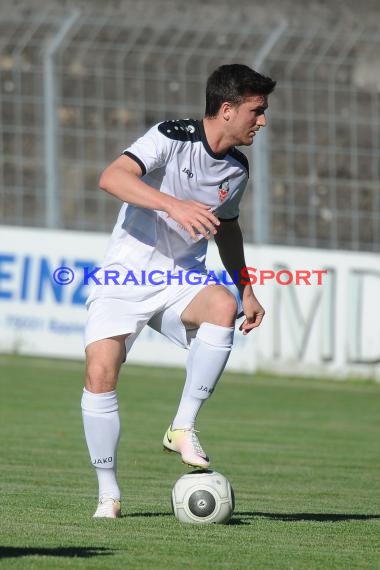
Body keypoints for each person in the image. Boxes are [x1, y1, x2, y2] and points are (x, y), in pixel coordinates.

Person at [81, 63, 276, 518]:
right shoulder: (171, 136)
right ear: (226, 109)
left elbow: (227, 229)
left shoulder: (236, 168)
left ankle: (182, 426)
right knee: (100, 373)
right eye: (257, 110)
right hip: (126, 276)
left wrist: (246, 289)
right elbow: (111, 178)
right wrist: (174, 204)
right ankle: (108, 494)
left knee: (222, 305)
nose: (262, 120)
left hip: (180, 279)